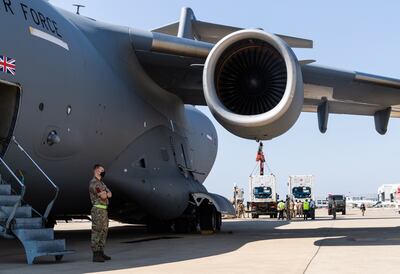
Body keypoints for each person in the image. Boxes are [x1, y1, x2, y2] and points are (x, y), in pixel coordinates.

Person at [89, 164, 112, 262]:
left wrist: (106, 194)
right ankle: (96, 254)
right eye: (102, 170)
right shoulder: (94, 183)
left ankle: (101, 252)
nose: (103, 171)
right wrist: (106, 194)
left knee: (104, 231)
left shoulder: (102, 183)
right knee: (97, 231)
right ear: (97, 171)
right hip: (98, 210)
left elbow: (110, 194)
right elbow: (103, 196)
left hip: (103, 210)